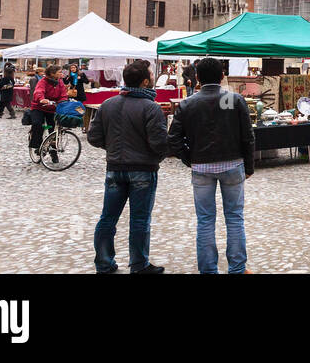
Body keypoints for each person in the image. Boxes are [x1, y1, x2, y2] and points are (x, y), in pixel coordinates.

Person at [168, 57, 254, 275]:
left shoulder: (187, 103)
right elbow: (248, 136)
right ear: (222, 76)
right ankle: (237, 268)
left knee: (205, 220)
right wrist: (249, 166)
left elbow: (174, 140)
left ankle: (208, 269)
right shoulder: (233, 99)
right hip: (232, 164)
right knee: (234, 217)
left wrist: (190, 159)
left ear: (197, 78)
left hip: (202, 167)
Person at [86, 60, 169, 273]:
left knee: (107, 218)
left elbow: (94, 137)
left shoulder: (108, 104)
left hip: (115, 167)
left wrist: (112, 147)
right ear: (145, 81)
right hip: (142, 169)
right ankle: (139, 264)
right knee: (139, 220)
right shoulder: (151, 107)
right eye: (151, 75)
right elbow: (159, 144)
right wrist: (156, 154)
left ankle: (104, 263)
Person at [29, 65, 70, 160]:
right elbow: (39, 91)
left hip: (52, 108)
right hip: (39, 107)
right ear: (52, 74)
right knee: (37, 124)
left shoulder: (60, 82)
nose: (61, 74)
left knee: (55, 130)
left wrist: (64, 101)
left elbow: (63, 94)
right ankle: (37, 145)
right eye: (59, 72)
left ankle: (53, 151)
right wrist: (42, 99)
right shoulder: (43, 81)